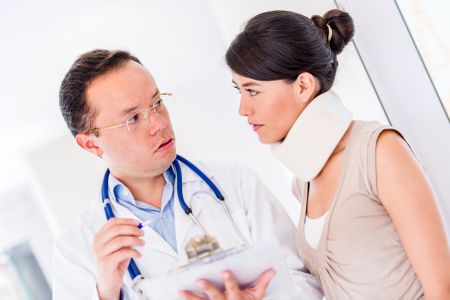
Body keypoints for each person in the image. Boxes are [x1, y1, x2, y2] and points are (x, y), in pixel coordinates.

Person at [52, 49, 323, 300]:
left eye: (157, 103)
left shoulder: (236, 184)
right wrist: (106, 294)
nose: (159, 123)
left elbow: (307, 284)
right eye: (132, 119)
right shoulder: (75, 250)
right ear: (90, 143)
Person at [225, 9, 450, 300]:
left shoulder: (380, 151)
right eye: (238, 91)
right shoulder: (304, 182)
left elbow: (443, 289)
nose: (242, 109)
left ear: (303, 86)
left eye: (253, 91)